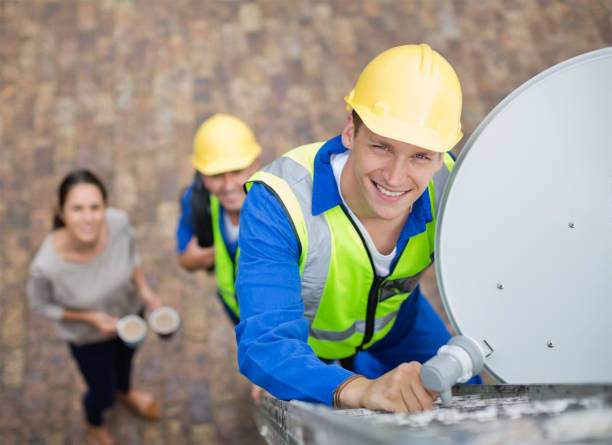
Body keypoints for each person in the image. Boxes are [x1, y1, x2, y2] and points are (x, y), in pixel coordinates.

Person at [235, 43, 482, 414]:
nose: (396, 178)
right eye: (381, 147)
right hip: (312, 345)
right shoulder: (280, 202)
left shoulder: (453, 185)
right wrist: (359, 390)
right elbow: (266, 344)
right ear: (350, 131)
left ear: (441, 155)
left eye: (419, 156)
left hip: (398, 321)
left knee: (469, 393)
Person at [27, 169, 164, 445]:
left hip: (130, 317)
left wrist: (145, 291)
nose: (88, 218)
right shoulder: (46, 266)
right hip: (88, 338)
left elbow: (131, 256)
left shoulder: (119, 223)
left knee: (126, 363)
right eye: (77, 209)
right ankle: (94, 423)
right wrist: (89, 318)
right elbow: (40, 304)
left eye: (95, 207)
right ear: (61, 212)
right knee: (101, 392)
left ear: (105, 207)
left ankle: (126, 392)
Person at [175, 113, 261, 325]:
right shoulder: (195, 204)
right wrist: (189, 260)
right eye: (216, 175)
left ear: (255, 165)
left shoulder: (279, 207)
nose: (228, 185)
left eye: (237, 171)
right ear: (202, 175)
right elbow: (184, 252)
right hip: (234, 307)